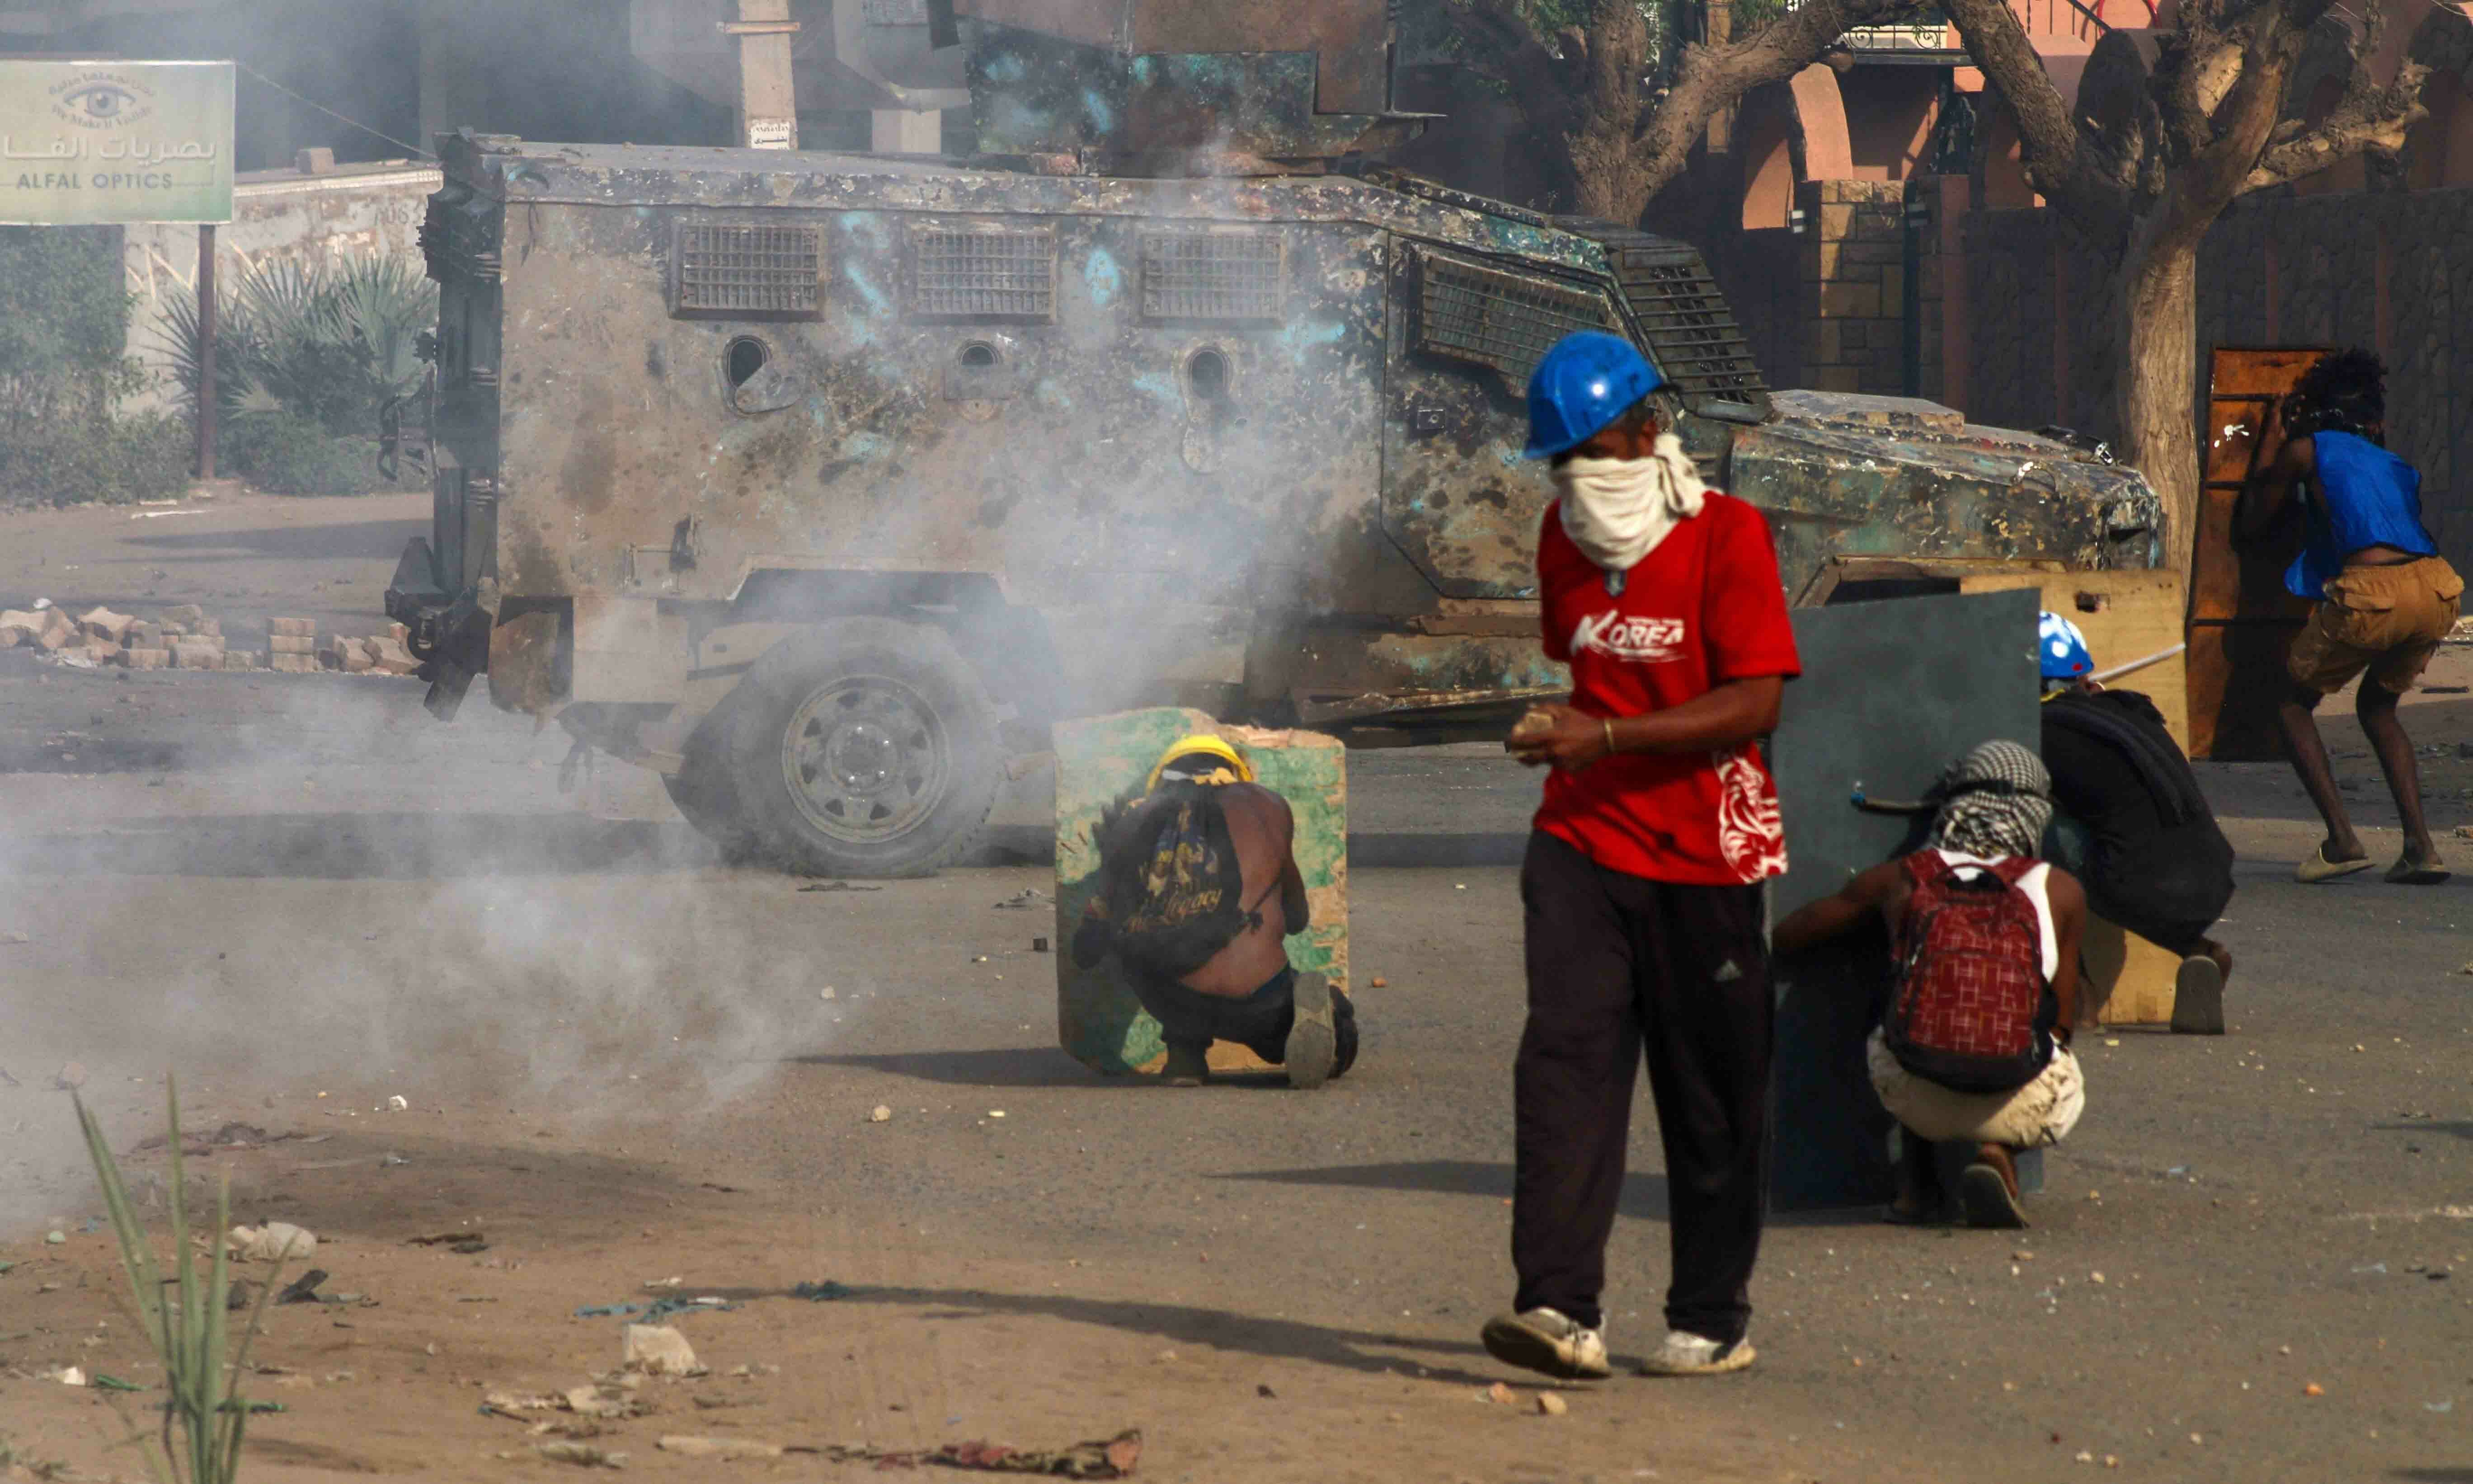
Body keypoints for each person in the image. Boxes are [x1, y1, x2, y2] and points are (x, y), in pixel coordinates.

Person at [1481, 331, 1800, 1383]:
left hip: (1703, 854)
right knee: (1562, 1068)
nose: (1582, 479)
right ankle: (1556, 1307)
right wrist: (1560, 725)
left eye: (1596, 454)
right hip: (1580, 842)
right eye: (1562, 463)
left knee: (1711, 1094)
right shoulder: (1561, 540)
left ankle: (1709, 1315)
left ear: (1647, 433)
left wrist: (1606, 737)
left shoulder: (1727, 536)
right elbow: (1585, 676)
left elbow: (1753, 701)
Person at [1772, 741, 2087, 1230]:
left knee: (1908, 1015)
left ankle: (1915, 1191)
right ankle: (1997, 1150)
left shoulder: (1904, 878)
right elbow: (2062, 1023)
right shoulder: (2060, 889)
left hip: (1914, 1095)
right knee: (2048, 1046)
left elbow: (1799, 930)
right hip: (2018, 1099)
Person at [2236, 348, 2462, 885]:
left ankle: (2342, 840)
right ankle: (2420, 848)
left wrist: (2272, 436)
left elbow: (2251, 522)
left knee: (2290, 703)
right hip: (2437, 587)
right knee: (2378, 708)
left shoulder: (2307, 449)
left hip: (2374, 591)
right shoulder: (2394, 464)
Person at [1071, 736, 1355, 1089]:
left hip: (1170, 997)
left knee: (1158, 943)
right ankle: (1303, 1023)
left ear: (1163, 778)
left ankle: (1184, 1057)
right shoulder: (1267, 807)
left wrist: (1115, 876)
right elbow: (1298, 920)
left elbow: (1085, 952)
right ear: (1235, 773)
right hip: (1258, 1000)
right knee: (1338, 1020)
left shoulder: (1133, 823)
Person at [2034, 612, 2236, 1036]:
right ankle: (2199, 951)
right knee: (2130, 846)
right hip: (2213, 878)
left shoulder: (2042, 733)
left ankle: (2079, 996)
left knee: (2023, 822)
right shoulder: (2131, 710)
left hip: (2137, 884)